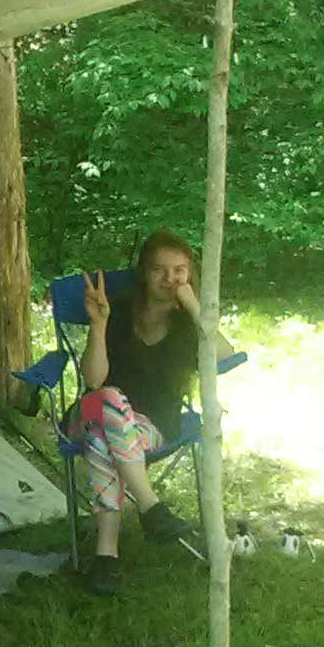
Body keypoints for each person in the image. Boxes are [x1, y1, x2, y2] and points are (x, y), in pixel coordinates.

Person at [74, 230, 205, 595]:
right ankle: (151, 508)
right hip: (94, 411)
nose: (169, 279)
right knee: (108, 396)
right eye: (159, 270)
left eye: (179, 271)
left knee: (102, 440)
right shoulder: (116, 312)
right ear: (144, 273)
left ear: (190, 275)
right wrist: (98, 326)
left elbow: (225, 357)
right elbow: (93, 380)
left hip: (150, 427)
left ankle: (106, 557)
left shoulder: (189, 325)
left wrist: (194, 308)